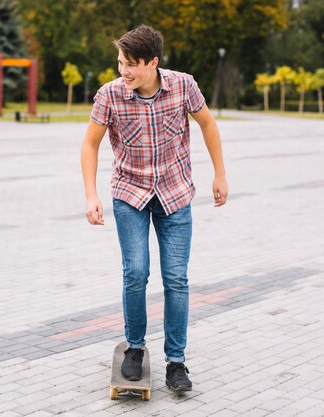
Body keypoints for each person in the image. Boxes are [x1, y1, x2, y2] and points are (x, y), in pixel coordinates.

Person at [80, 25, 228, 392]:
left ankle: (176, 362)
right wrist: (90, 194)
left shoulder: (183, 86)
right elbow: (89, 144)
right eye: (120, 63)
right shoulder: (110, 96)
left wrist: (220, 174)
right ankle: (135, 348)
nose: (123, 72)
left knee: (176, 278)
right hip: (130, 193)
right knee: (136, 273)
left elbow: (207, 124)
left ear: (153, 63)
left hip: (175, 195)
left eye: (131, 65)